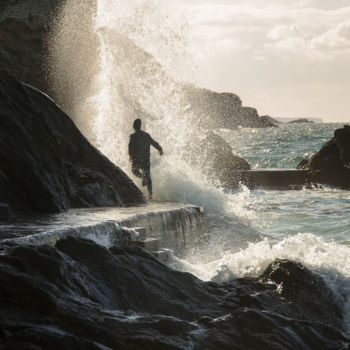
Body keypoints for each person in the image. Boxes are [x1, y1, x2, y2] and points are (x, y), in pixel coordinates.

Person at [128, 119, 163, 200]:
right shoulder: (146, 135)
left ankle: (142, 177)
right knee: (148, 175)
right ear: (140, 126)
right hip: (146, 159)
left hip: (137, 159)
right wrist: (160, 149)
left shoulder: (133, 136)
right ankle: (150, 195)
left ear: (134, 127)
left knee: (134, 171)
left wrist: (130, 155)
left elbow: (130, 147)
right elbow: (154, 143)